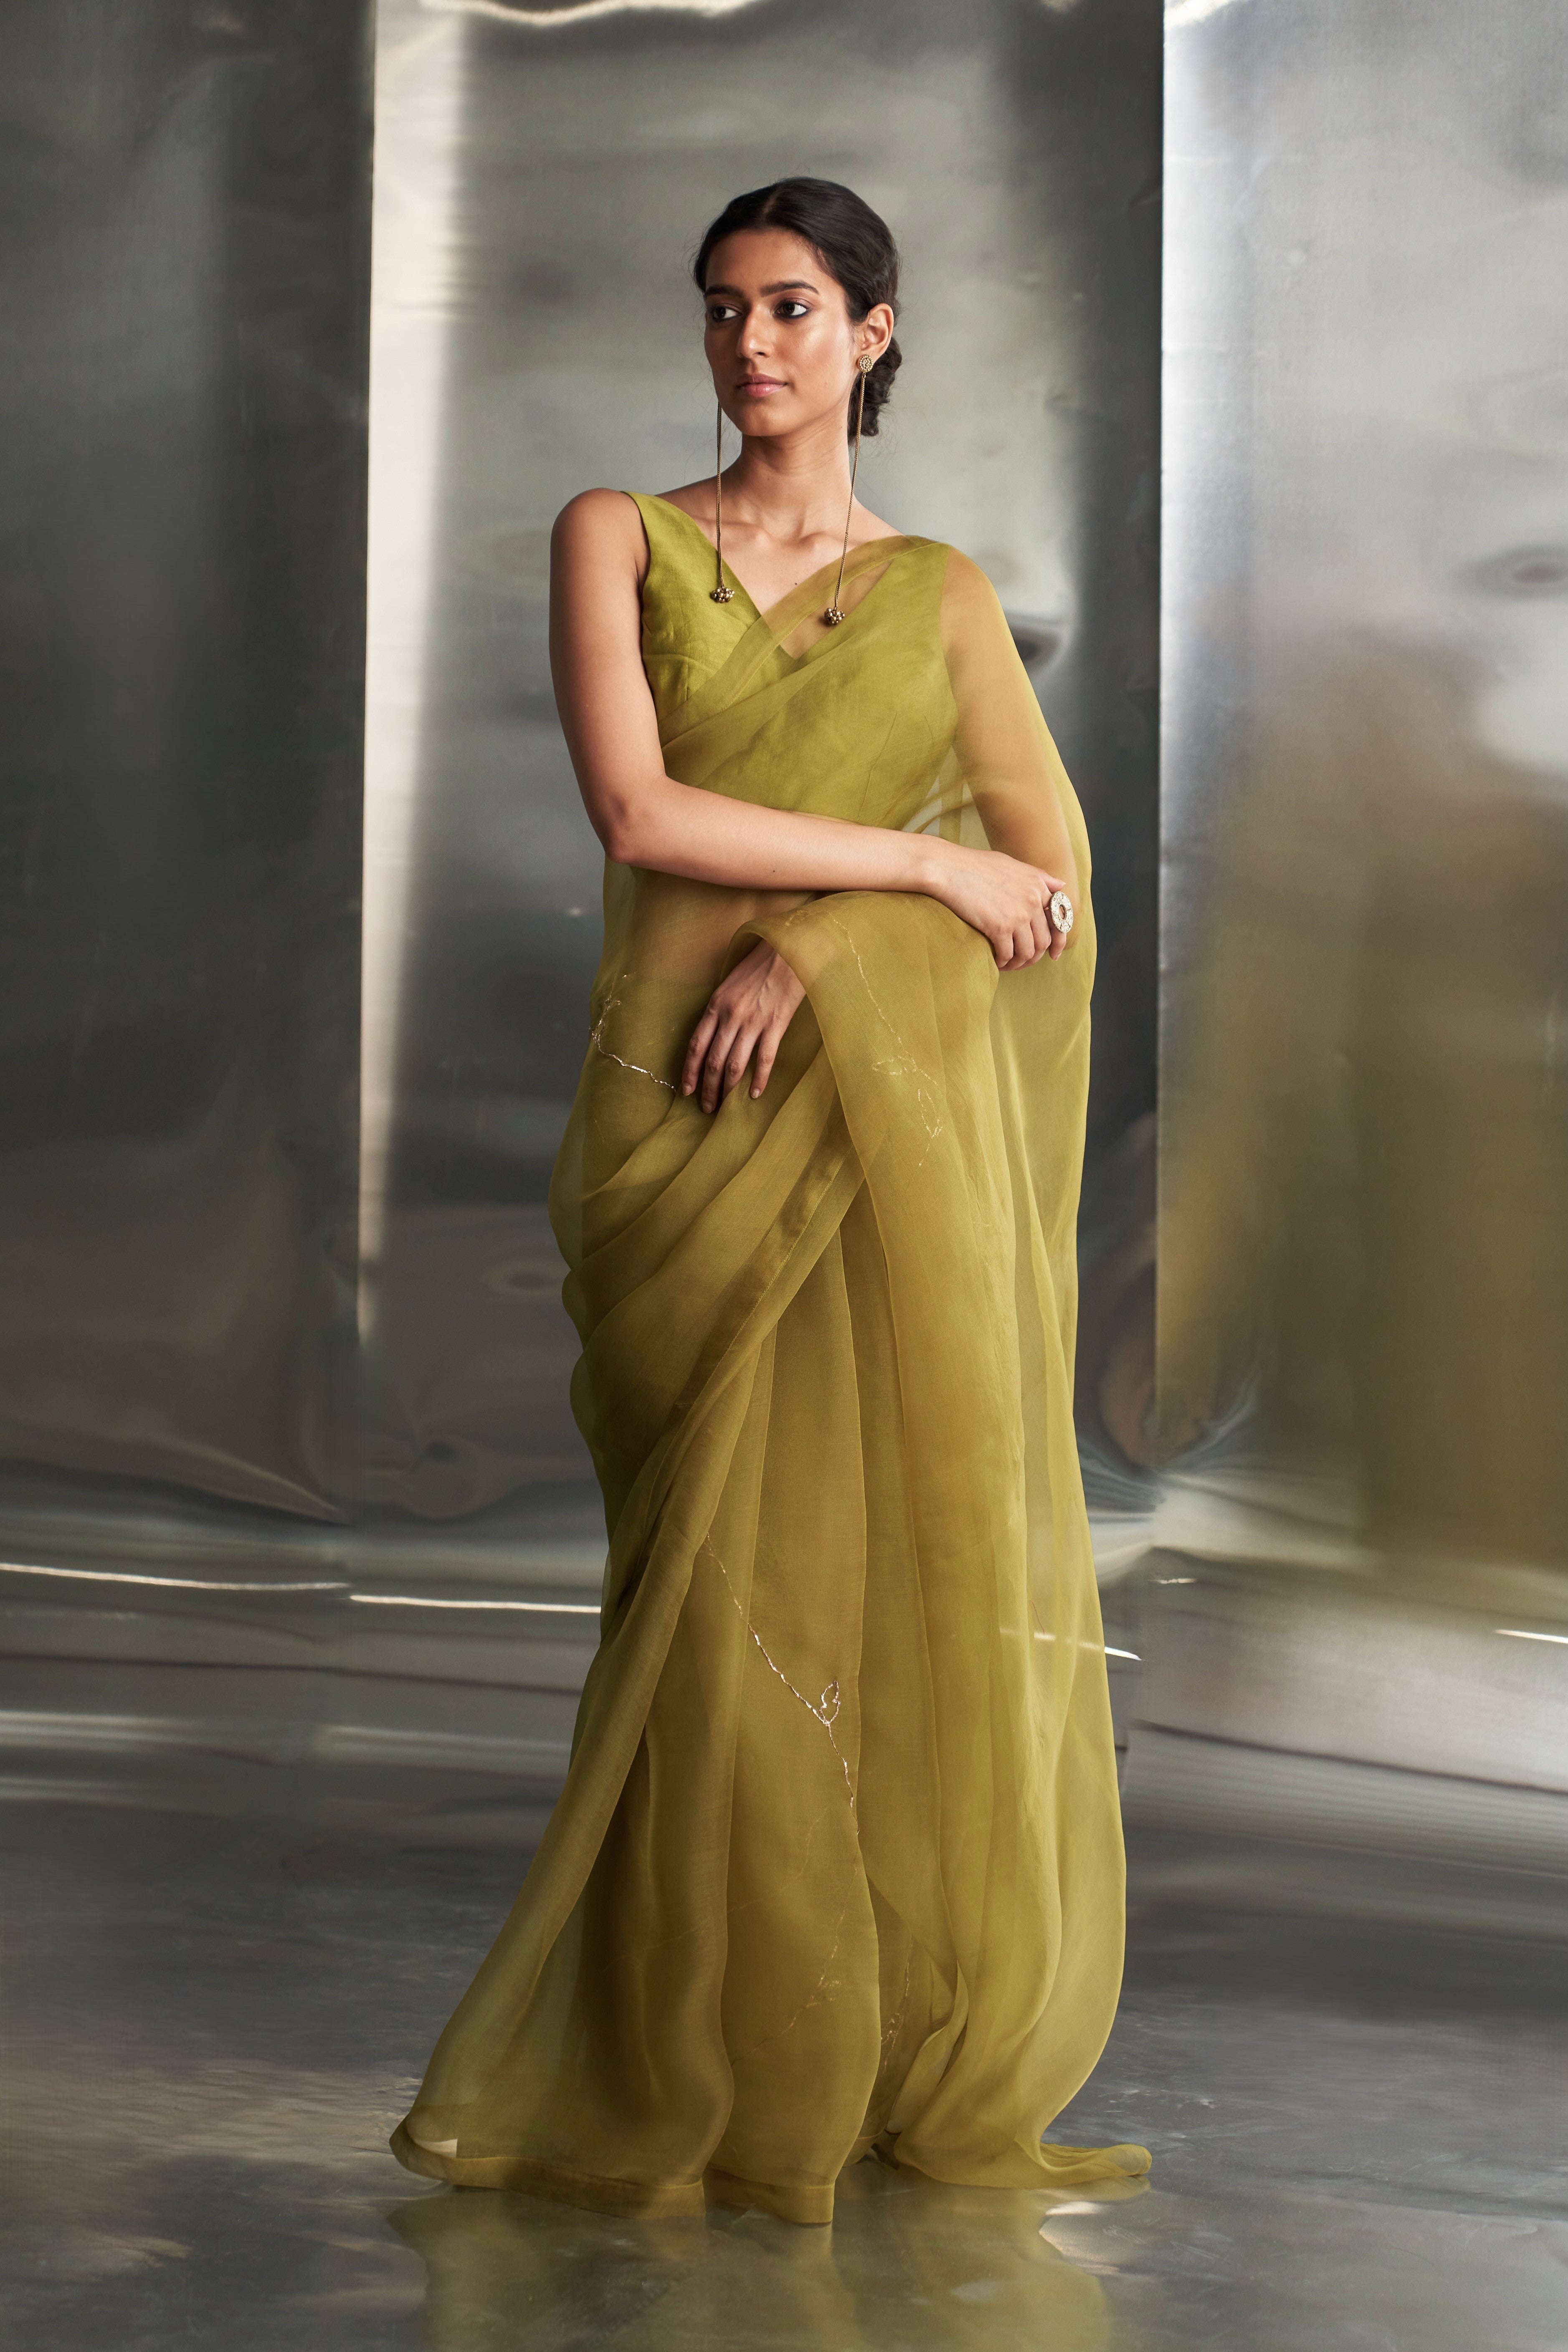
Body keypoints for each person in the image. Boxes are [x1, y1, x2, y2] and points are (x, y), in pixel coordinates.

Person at [393, 176, 1149, 2227]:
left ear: (874, 334)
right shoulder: (619, 538)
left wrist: (815, 953)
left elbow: (1049, 892)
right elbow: (639, 810)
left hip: (846, 1137)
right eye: (727, 307)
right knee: (704, 1607)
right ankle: (683, 2059)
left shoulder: (941, 595)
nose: (753, 344)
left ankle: (831, 2055)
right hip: (670, 1123)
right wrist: (905, 871)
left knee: (843, 1590)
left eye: (797, 307)